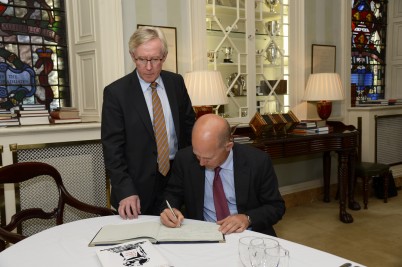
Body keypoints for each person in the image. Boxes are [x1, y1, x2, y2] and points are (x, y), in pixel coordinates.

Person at [101, 26, 195, 219]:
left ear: (165, 56)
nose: (149, 67)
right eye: (142, 59)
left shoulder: (176, 83)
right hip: (135, 185)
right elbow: (113, 149)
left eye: (155, 59)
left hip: (176, 180)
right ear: (132, 56)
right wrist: (126, 190)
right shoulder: (116, 93)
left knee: (177, 236)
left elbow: (189, 129)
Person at [160, 114, 285, 236]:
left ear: (228, 146)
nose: (201, 163)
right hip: (203, 233)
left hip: (245, 234)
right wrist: (168, 209)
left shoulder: (257, 161)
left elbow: (276, 207)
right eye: (197, 155)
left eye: (208, 158)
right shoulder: (184, 159)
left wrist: (247, 218)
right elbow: (172, 193)